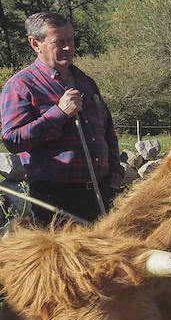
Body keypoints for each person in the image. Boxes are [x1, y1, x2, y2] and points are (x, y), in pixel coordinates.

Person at [1, 12, 124, 224]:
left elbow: (108, 132)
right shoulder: (21, 85)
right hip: (55, 201)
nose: (68, 47)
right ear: (35, 44)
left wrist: (114, 179)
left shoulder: (87, 83)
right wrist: (59, 113)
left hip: (102, 193)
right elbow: (13, 140)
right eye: (59, 42)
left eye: (71, 40)